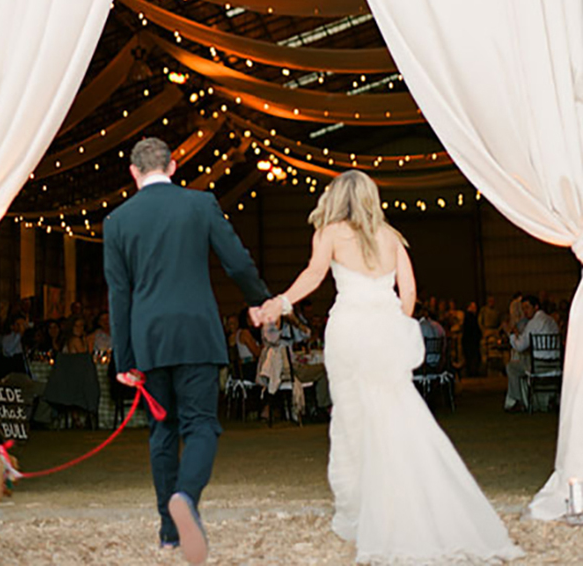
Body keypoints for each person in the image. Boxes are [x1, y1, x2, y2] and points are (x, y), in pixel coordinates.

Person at [253, 170, 520, 565]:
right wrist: (395, 325)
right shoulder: (392, 238)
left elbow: (313, 274)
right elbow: (408, 293)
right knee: (396, 415)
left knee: (352, 419)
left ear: (337, 198)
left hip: (349, 332)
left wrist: (280, 303)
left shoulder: (330, 232)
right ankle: (402, 507)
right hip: (384, 330)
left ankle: (364, 514)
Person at [103, 137, 270, 565]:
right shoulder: (200, 205)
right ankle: (186, 497)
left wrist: (124, 359)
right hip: (197, 333)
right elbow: (236, 261)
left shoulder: (117, 221)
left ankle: (168, 531)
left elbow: (118, 295)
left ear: (133, 173)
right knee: (201, 426)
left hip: (149, 340)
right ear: (173, 166)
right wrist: (259, 301)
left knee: (163, 432)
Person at [504, 294, 560, 413]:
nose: (525, 311)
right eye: (523, 308)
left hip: (539, 367)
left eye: (527, 308)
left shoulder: (533, 323)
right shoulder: (551, 320)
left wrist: (512, 335)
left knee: (511, 367)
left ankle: (517, 401)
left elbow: (520, 347)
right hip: (556, 365)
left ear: (536, 307)